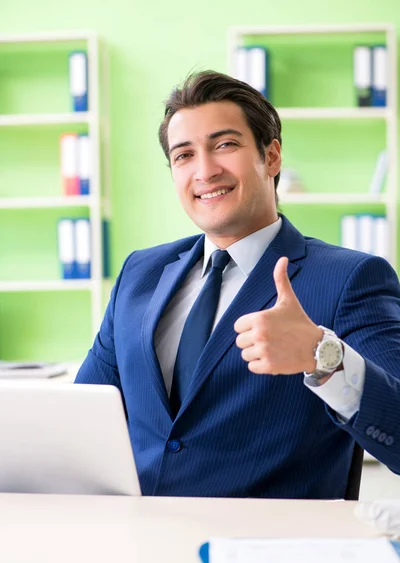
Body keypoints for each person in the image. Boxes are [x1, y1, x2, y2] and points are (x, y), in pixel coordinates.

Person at [75, 70, 400, 499]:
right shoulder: (140, 274)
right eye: (184, 155)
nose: (205, 171)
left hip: (264, 553)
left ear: (272, 157)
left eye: (224, 145)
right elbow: (83, 421)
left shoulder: (349, 279)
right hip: (136, 542)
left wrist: (323, 357)